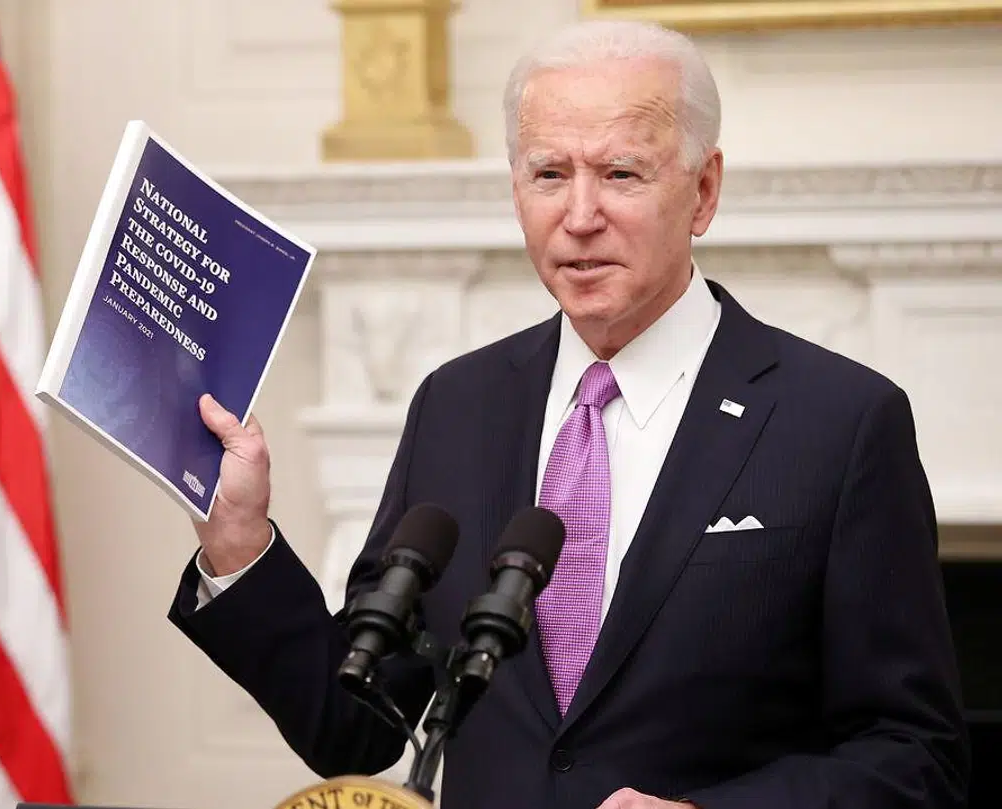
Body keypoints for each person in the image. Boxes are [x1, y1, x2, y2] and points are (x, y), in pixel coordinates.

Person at [166, 20, 970, 809]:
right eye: (549, 174)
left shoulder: (840, 422)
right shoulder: (457, 404)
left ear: (704, 190)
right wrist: (239, 541)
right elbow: (356, 724)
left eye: (621, 173)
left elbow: (914, 757)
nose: (580, 216)